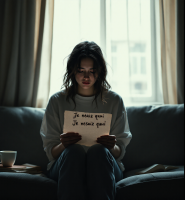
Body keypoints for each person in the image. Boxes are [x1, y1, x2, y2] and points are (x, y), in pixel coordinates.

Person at [40, 41, 132, 200]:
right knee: (74, 151)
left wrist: (111, 146)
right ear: (72, 71)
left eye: (92, 71)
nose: (86, 77)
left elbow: (119, 152)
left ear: (100, 72)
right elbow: (51, 152)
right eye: (81, 70)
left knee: (98, 151)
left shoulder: (114, 100)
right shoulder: (57, 101)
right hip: (66, 164)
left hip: (105, 163)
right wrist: (64, 145)